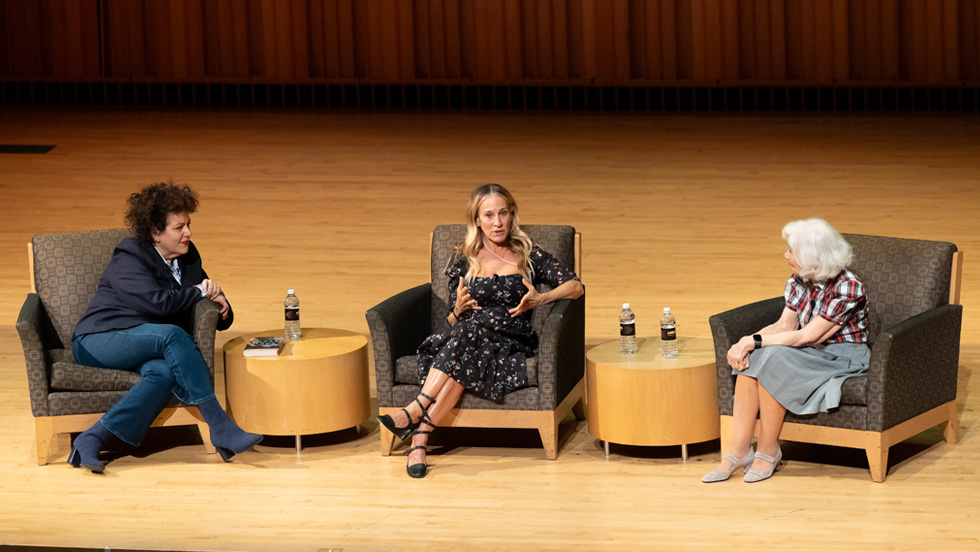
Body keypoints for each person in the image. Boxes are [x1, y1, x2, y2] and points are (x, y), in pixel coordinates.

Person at [378, 183, 584, 478]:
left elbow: (576, 286)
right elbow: (450, 322)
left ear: (512, 215)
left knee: (467, 337)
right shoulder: (463, 258)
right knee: (467, 338)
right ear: (477, 219)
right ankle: (420, 440)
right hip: (469, 338)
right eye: (489, 215)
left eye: (503, 213)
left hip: (512, 338)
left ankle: (414, 411)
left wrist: (542, 298)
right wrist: (457, 310)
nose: (497, 222)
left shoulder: (527, 253)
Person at [69, 182, 262, 473]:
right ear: (155, 233)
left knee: (162, 374)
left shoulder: (187, 257)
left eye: (189, 224)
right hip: (99, 340)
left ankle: (91, 439)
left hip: (142, 342)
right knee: (171, 334)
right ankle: (219, 425)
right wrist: (199, 291)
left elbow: (213, 306)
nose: (188, 233)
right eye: (179, 227)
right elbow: (158, 305)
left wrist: (220, 302)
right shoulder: (130, 256)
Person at [702, 218, 870, 483]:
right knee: (757, 355)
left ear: (812, 256)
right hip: (809, 351)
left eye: (791, 251)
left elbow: (807, 335)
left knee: (771, 356)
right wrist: (747, 341)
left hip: (841, 356)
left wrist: (753, 342)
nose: (785, 255)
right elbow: (784, 325)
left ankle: (768, 450)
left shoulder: (847, 287)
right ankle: (739, 450)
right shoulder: (798, 280)